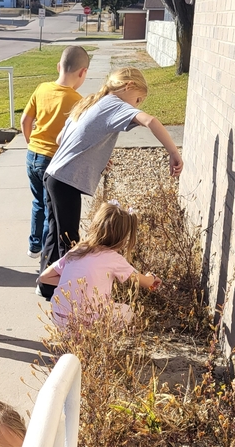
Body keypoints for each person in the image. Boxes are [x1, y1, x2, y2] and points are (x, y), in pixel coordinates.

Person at [38, 67, 183, 300]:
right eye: (138, 99)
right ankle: (72, 295)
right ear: (128, 87)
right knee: (70, 241)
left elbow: (60, 139)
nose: (136, 105)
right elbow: (151, 120)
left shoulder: (91, 102)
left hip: (53, 175)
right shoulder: (116, 104)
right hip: (66, 181)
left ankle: (47, 287)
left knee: (56, 234)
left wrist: (96, 154)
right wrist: (174, 152)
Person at [38, 200, 161, 327]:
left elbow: (44, 277)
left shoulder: (77, 250)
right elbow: (146, 282)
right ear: (123, 238)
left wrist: (74, 284)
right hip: (88, 320)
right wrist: (152, 276)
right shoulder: (114, 259)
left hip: (59, 316)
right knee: (127, 312)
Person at [20, 45, 89, 259]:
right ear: (83, 72)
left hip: (32, 155)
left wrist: (31, 143)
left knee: (38, 202)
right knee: (51, 207)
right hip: (53, 161)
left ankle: (34, 246)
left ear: (58, 66)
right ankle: (46, 251)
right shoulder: (77, 101)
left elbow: (25, 120)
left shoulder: (42, 89)